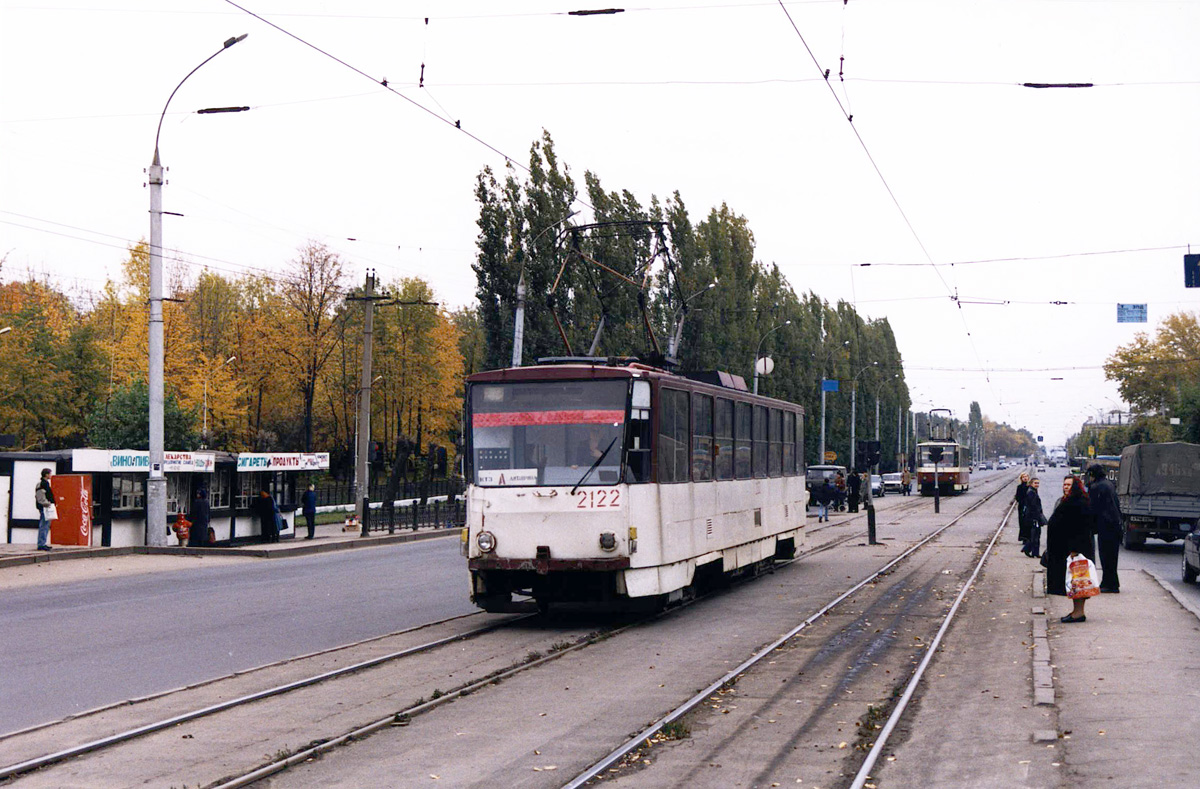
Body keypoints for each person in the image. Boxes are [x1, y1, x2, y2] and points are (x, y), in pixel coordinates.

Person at [1045, 475, 1096, 623]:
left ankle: (1078, 613)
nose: (1065, 487)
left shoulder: (1078, 502)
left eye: (1069, 485)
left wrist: (1075, 550)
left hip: (1075, 550)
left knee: (1078, 581)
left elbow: (1079, 528)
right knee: (1075, 582)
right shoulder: (1070, 500)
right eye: (1064, 484)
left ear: (1075, 487)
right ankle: (1076, 611)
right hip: (1066, 549)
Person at [1086, 465, 1123, 593]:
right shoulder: (1109, 484)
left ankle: (1109, 584)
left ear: (1093, 474)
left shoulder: (1096, 487)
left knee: (1105, 556)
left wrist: (1090, 526)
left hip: (1105, 525)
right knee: (1112, 556)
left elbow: (1093, 508)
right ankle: (1111, 582)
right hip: (1115, 524)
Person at [1023, 477, 1046, 558]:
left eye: (1038, 483)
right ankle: (1029, 550)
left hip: (1034, 517)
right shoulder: (1031, 493)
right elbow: (1033, 507)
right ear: (1031, 483)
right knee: (1035, 535)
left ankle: (1034, 552)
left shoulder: (1033, 491)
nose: (1037, 485)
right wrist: (1036, 518)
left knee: (1036, 535)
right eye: (1035, 483)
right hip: (1034, 517)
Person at [34, 468, 54, 551]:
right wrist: (47, 504)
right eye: (50, 473)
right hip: (45, 507)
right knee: (44, 525)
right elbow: (40, 497)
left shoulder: (44, 483)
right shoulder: (43, 484)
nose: (51, 475)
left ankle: (43, 543)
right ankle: (41, 544)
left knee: (46, 525)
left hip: (46, 506)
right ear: (46, 474)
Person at [1015, 472, 1030, 546]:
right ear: (1021, 478)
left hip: (1029, 507)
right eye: (1023, 477)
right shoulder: (1019, 487)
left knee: (1028, 522)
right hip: (1021, 506)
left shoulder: (1030, 487)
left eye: (1026, 476)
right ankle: (1023, 538)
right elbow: (1017, 497)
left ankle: (1028, 537)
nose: (1025, 478)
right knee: (1022, 522)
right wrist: (1022, 501)